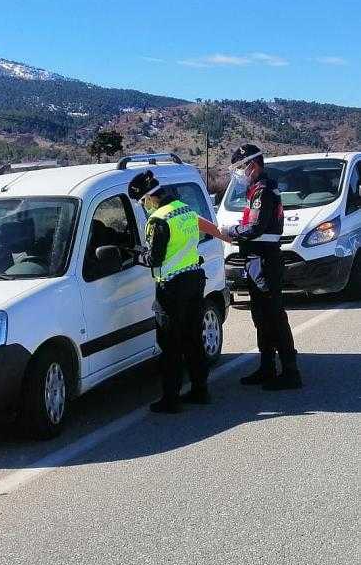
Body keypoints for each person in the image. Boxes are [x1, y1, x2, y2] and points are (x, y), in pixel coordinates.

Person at [128, 170, 210, 413]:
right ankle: (200, 389)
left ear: (149, 198)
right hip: (194, 278)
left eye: (143, 202)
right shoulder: (184, 209)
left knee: (170, 344)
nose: (144, 207)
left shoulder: (159, 220)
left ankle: (171, 399)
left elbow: (154, 258)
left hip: (172, 288)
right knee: (193, 338)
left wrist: (136, 253)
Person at [224, 144, 302, 390]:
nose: (238, 173)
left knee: (274, 316)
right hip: (256, 261)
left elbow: (256, 228)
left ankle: (290, 371)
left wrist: (230, 231)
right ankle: (267, 366)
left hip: (265, 262)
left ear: (252, 165)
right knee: (261, 316)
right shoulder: (256, 190)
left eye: (240, 167)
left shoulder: (264, 191)